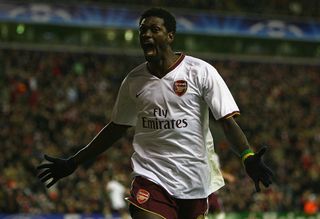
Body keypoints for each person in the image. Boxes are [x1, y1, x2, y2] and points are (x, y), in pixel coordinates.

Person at [37, 7, 273, 219]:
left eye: (154, 29)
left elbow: (227, 121)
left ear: (170, 36)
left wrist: (247, 157)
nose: (146, 35)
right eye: (143, 30)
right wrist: (74, 161)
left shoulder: (201, 72)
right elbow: (116, 128)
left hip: (194, 180)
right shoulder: (134, 81)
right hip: (151, 177)